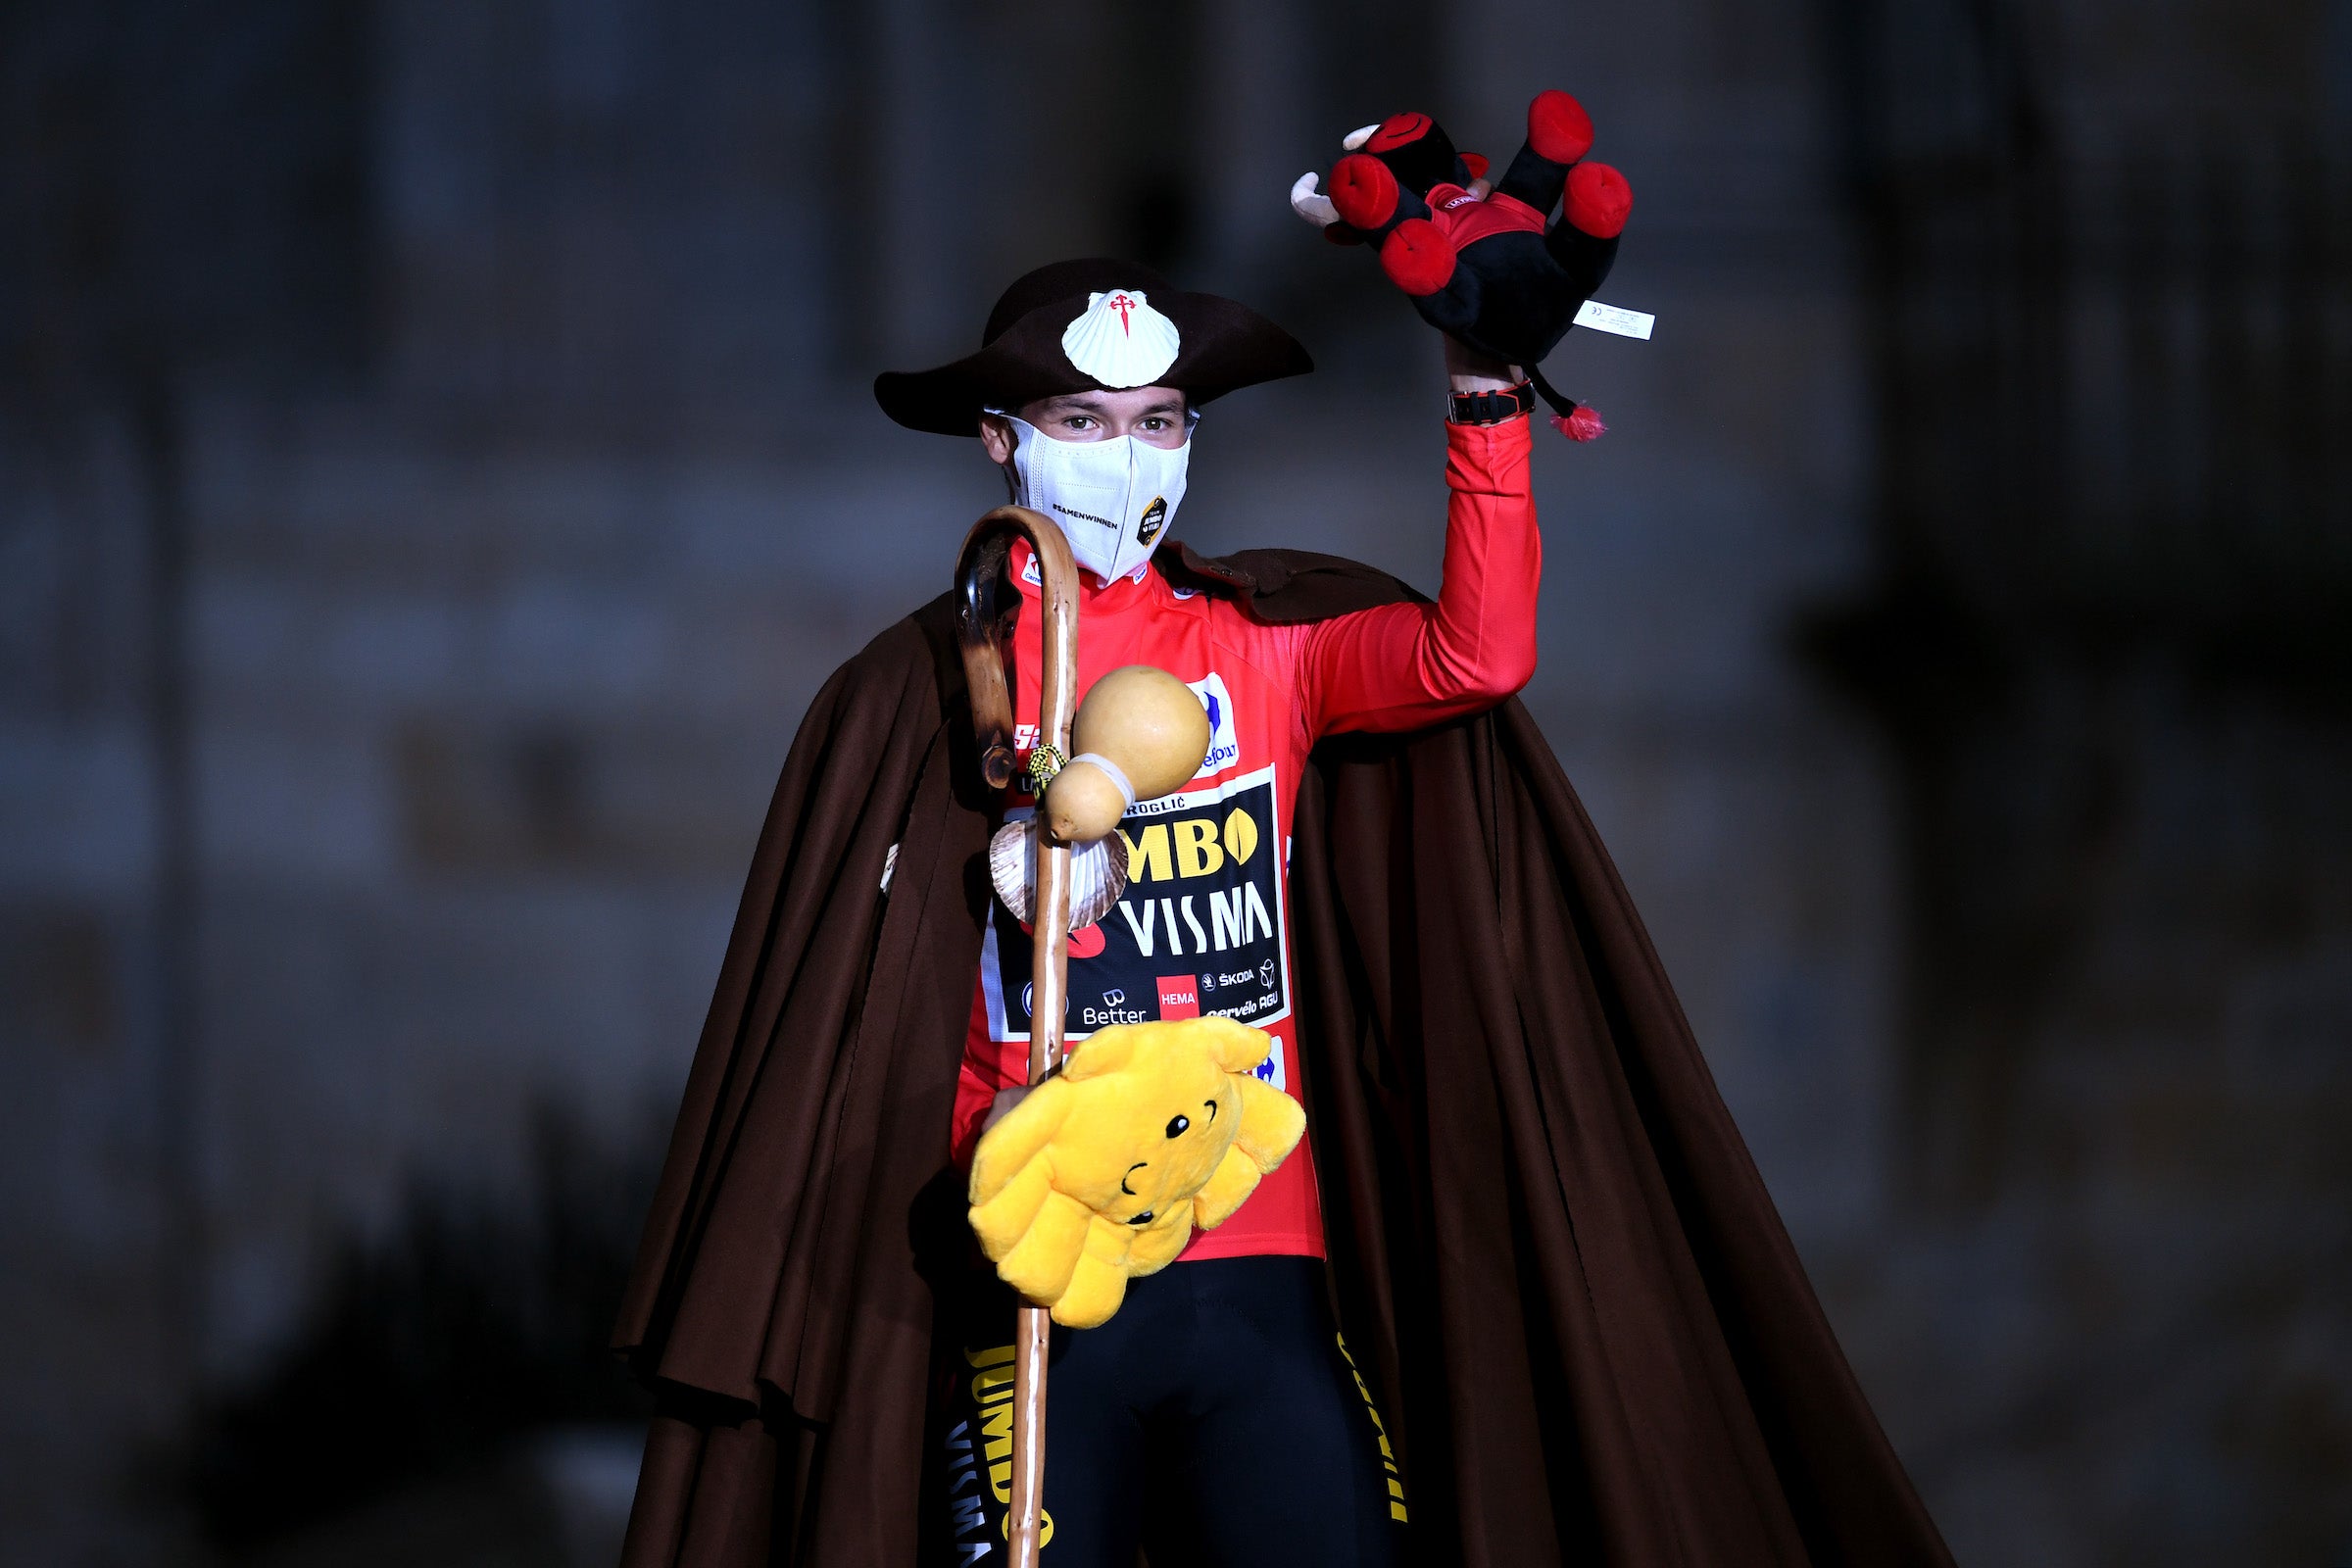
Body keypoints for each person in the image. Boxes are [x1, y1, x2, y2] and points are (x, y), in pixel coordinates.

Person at [613, 260, 1955, 1568]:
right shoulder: (917, 695)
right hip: (1040, 1270)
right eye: (1084, 424)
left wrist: (1484, 397)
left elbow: (1473, 657)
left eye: (1157, 425)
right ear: (1002, 443)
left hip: (1264, 1259)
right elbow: (855, 1000)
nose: (1123, 455)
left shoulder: (1266, 645)